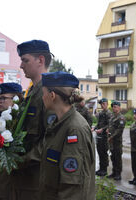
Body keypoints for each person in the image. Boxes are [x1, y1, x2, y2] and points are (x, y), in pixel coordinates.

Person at [39, 71, 95, 200]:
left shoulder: (74, 129)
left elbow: (73, 190)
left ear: (52, 95)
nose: (42, 98)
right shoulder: (59, 123)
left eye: (43, 93)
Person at [11, 39, 54, 200]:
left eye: (25, 60)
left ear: (40, 60)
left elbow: (51, 139)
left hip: (36, 178)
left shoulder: (49, 93)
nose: (21, 65)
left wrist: (21, 160)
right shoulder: (32, 92)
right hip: (25, 176)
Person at [0, 83, 22, 200]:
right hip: (0, 184)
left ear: (15, 99)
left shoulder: (20, 121)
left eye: (3, 98)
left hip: (15, 185)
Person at [106, 101, 126, 180]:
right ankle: (114, 172)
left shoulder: (121, 118)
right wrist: (108, 129)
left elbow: (119, 130)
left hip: (116, 141)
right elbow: (110, 126)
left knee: (117, 157)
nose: (114, 108)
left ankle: (118, 173)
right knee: (113, 157)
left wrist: (112, 137)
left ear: (119, 108)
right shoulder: (112, 117)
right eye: (113, 107)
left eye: (115, 107)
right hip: (111, 141)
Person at [92, 98, 112, 176]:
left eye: (103, 104)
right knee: (100, 152)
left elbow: (109, 124)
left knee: (104, 153)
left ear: (107, 104)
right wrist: (94, 128)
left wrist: (102, 129)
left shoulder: (109, 113)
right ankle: (101, 168)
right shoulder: (101, 113)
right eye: (101, 104)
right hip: (99, 136)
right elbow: (99, 123)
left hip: (104, 136)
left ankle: (104, 170)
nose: (102, 105)